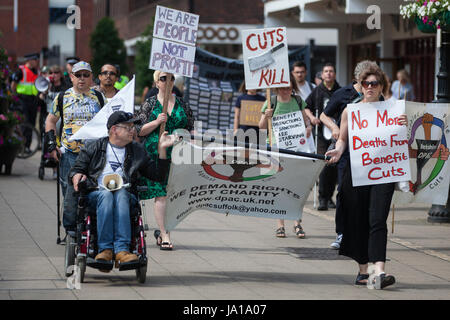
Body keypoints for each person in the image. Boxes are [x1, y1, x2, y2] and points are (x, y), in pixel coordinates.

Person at [325, 64, 407, 290]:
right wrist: (338, 150)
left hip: (383, 172)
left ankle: (379, 271)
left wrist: (404, 126)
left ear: (382, 86)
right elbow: (342, 139)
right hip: (357, 171)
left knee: (378, 219)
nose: (370, 87)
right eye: (366, 83)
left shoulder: (393, 110)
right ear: (360, 86)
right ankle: (364, 272)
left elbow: (403, 140)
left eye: (375, 83)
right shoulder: (350, 111)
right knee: (358, 219)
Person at [69, 111, 175, 267]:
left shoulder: (137, 150)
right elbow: (77, 168)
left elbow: (158, 175)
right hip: (96, 194)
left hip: (125, 195)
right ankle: (105, 250)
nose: (133, 130)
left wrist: (162, 149)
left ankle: (121, 250)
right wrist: (76, 175)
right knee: (106, 195)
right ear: (114, 130)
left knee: (121, 194)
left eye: (133, 127)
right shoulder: (95, 147)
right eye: (128, 127)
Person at [135, 70, 195, 250]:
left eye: (171, 78)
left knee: (173, 194)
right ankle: (164, 233)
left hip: (179, 154)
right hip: (156, 153)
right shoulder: (150, 103)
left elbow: (191, 127)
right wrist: (156, 122)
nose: (168, 81)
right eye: (163, 78)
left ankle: (164, 230)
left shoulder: (182, 104)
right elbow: (138, 130)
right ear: (157, 83)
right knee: (160, 193)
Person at [44, 61, 105, 233]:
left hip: (94, 155)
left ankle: (90, 227)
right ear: (72, 77)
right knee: (70, 194)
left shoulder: (99, 98)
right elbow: (50, 121)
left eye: (86, 75)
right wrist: (52, 144)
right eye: (78, 75)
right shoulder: (62, 97)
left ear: (91, 78)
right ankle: (71, 231)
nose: (82, 78)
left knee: (94, 191)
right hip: (70, 154)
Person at [259, 73, 312, 239]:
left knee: (296, 188)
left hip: (295, 150)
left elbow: (306, 121)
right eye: (282, 88)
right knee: (279, 187)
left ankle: (297, 222)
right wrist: (266, 116)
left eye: (289, 88)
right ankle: (280, 225)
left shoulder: (297, 101)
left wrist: (309, 127)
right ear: (277, 88)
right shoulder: (271, 102)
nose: (285, 91)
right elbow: (260, 126)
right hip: (276, 150)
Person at [304, 63, 341, 211]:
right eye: (326, 71)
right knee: (324, 165)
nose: (329, 74)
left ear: (335, 74)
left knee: (334, 166)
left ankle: (330, 196)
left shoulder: (340, 90)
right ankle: (322, 198)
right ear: (322, 75)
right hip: (321, 135)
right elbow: (306, 106)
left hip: (337, 134)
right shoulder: (317, 91)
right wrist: (312, 118)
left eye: (331, 71)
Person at [10, 53, 45, 154]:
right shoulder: (20, 71)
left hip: (33, 100)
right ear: (29, 60)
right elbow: (13, 86)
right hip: (22, 100)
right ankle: (21, 146)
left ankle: (27, 146)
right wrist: (15, 98)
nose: (36, 62)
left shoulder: (36, 72)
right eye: (35, 60)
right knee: (25, 124)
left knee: (32, 124)